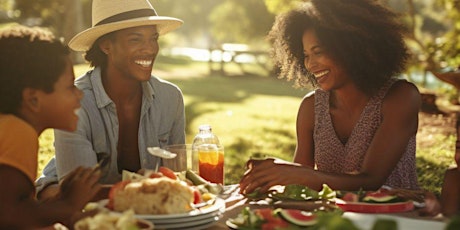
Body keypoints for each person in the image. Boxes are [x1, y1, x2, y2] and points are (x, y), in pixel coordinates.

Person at [240, 0, 421, 194]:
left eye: (318, 52)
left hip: (397, 216)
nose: (310, 64)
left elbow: (371, 181)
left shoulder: (400, 97)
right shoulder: (311, 108)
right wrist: (275, 175)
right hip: (334, 220)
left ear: (351, 47)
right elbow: (301, 185)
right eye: (306, 55)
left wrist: (299, 174)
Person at [36, 0, 185, 200]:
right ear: (106, 45)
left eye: (153, 38)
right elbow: (78, 194)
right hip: (68, 195)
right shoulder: (76, 102)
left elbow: (176, 177)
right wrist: (142, 187)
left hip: (144, 200)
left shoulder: (170, 98)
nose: (150, 49)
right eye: (135, 39)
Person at [0, 25, 101, 229]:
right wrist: (68, 205)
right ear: (33, 100)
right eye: (70, 87)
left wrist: (60, 204)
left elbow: (20, 205)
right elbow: (8, 215)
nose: (79, 94)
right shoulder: (18, 133)